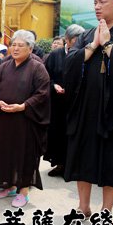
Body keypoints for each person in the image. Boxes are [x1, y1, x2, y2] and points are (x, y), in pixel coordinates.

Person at [64, 0, 113, 215]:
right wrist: (93, 46)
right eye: (95, 2)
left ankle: (106, 212)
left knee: (112, 161)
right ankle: (83, 206)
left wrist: (110, 46)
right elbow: (70, 64)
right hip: (87, 108)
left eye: (102, 2)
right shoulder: (88, 34)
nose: (97, 7)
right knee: (84, 157)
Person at [0, 30, 50, 208]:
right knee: (5, 152)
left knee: (24, 155)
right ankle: (9, 185)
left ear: (30, 48)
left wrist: (24, 106)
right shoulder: (4, 66)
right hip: (4, 118)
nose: (15, 48)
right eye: (13, 44)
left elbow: (43, 93)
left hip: (25, 120)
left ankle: (24, 191)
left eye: (20, 45)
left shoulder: (37, 67)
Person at [43, 24, 84, 177]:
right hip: (58, 103)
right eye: (76, 39)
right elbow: (46, 76)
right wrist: (54, 85)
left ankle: (73, 167)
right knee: (57, 134)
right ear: (67, 39)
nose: (80, 42)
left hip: (76, 103)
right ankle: (60, 164)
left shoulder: (83, 55)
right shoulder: (55, 55)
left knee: (73, 134)